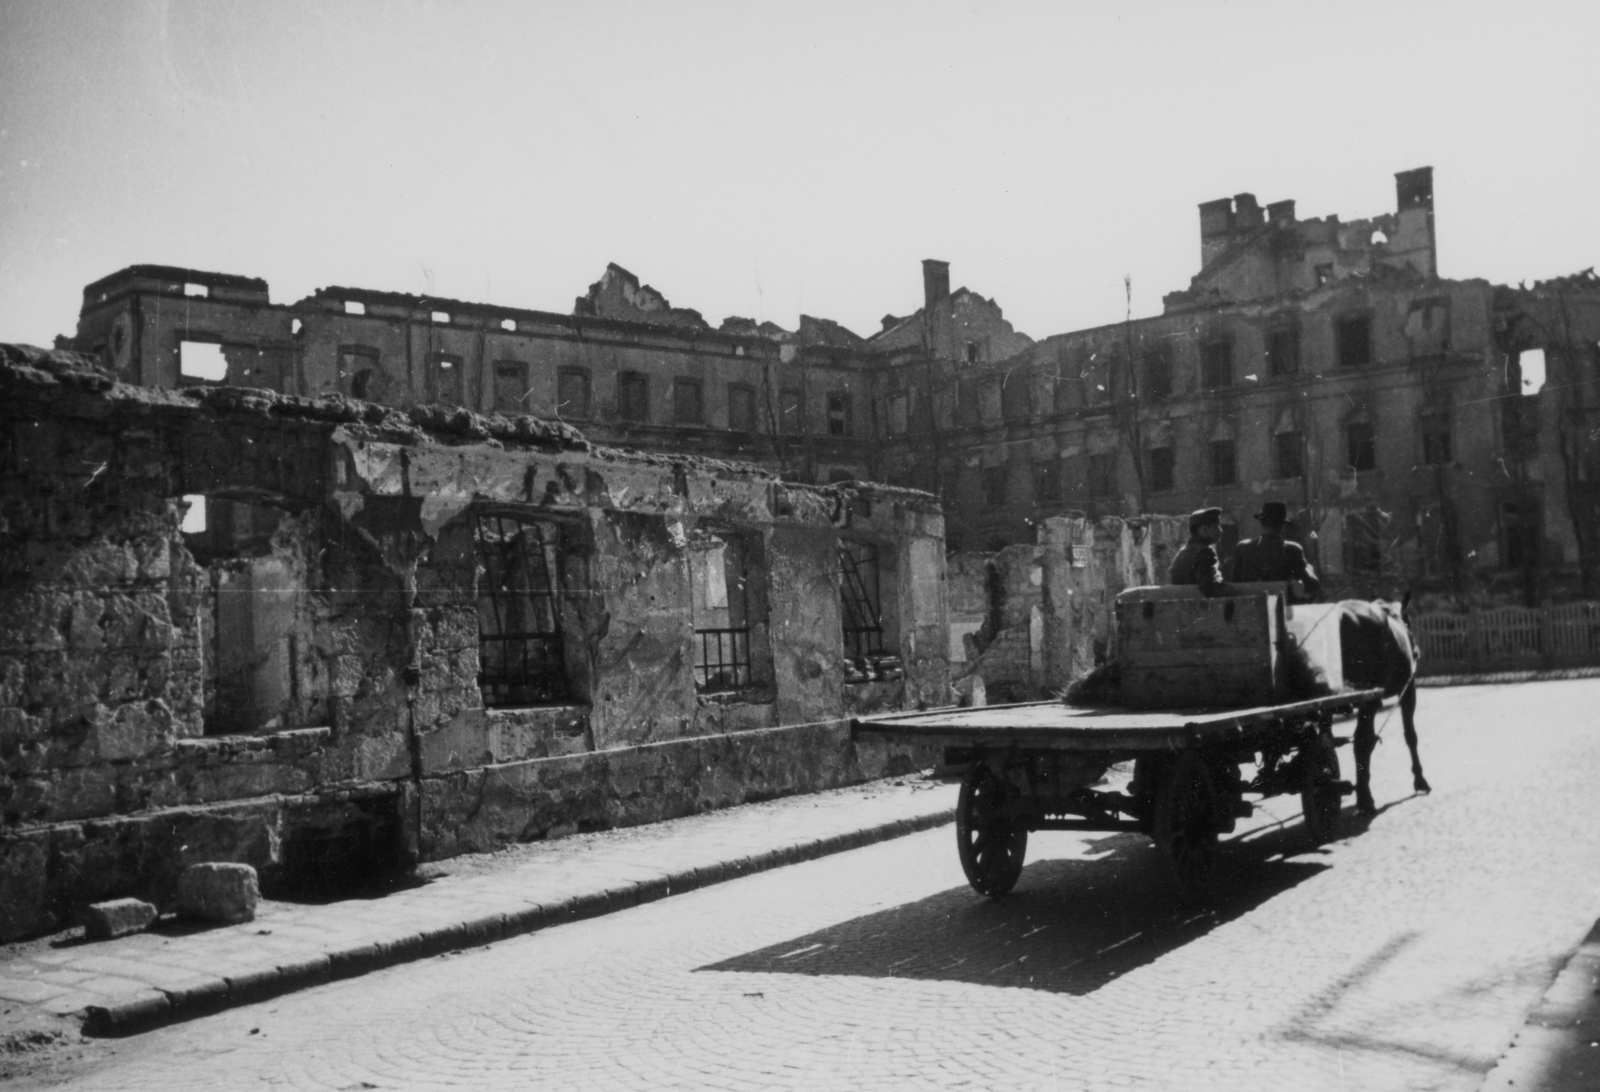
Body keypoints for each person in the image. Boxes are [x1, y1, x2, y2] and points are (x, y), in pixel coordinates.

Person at [1230, 501, 1322, 600]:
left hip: (1250, 609)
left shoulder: (1242, 547)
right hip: (1281, 609)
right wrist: (1309, 568)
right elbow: (1312, 585)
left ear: (1261, 523)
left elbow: (1235, 585)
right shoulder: (1292, 550)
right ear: (1282, 526)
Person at [1168, 507, 1229, 596]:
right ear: (1204, 530)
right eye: (1216, 527)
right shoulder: (1205, 553)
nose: (1221, 530)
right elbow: (1211, 587)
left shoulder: (1182, 552)